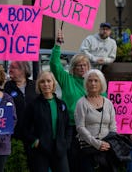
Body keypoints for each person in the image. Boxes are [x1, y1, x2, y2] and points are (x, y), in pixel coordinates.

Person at [50, 28, 92, 172]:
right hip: (70, 128)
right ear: (73, 68)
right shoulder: (67, 80)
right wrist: (57, 45)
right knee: (71, 163)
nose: (82, 67)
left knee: (86, 165)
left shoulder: (93, 82)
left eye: (85, 65)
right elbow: (55, 65)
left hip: (89, 129)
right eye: (78, 65)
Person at [23, 71, 70, 172]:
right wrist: (35, 142)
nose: (46, 84)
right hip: (41, 150)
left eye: (49, 81)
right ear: (38, 84)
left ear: (54, 83)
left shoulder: (61, 104)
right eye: (42, 82)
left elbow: (68, 126)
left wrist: (65, 143)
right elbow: (25, 128)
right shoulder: (33, 105)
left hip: (59, 149)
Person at [75, 69, 117, 171]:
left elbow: (113, 126)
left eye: (96, 80)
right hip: (88, 149)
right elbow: (80, 127)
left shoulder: (108, 103)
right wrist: (97, 144)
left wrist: (109, 144)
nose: (93, 83)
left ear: (101, 83)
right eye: (90, 80)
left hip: (106, 149)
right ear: (86, 83)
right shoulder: (81, 103)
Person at [4, 61, 36, 141]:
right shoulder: (7, 86)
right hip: (15, 132)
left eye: (13, 67)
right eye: (9, 67)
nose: (10, 70)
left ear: (23, 70)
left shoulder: (34, 85)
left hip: (33, 131)